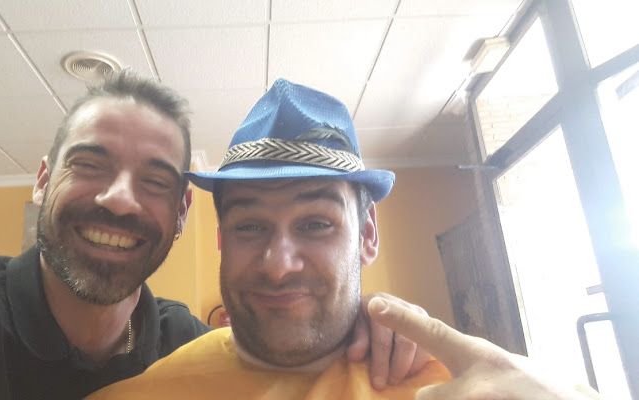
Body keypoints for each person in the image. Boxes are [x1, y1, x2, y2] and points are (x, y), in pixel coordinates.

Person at [0, 72, 424, 399]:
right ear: (42, 181)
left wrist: (366, 319)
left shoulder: (189, 347)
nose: (119, 199)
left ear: (181, 212)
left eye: (155, 181)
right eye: (90, 164)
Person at [88, 79, 603, 400]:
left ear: (367, 234)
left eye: (316, 224)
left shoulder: (455, 386)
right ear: (221, 238)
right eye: (250, 226)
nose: (278, 264)